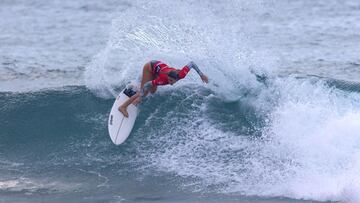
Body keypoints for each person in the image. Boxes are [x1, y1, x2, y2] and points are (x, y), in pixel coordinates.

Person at [118, 60, 209, 117]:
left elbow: (192, 63)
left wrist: (201, 75)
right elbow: (148, 85)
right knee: (144, 93)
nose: (171, 82)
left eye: (173, 81)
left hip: (157, 69)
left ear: (177, 78)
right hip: (149, 67)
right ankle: (123, 107)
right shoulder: (162, 79)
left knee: (153, 91)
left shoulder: (181, 74)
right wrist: (140, 96)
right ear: (167, 77)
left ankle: (139, 82)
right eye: (169, 80)